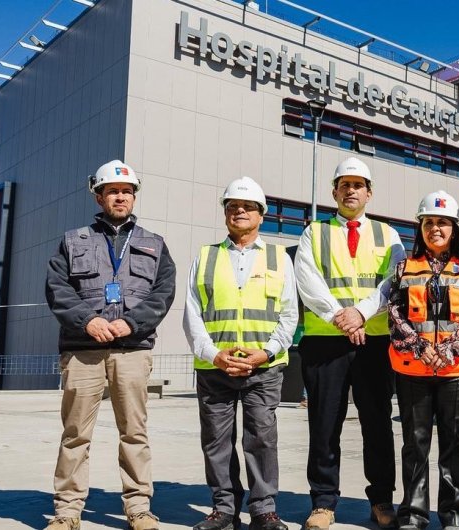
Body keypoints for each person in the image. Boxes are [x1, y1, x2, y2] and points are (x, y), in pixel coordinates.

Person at [44, 160, 176, 530]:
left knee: (134, 432)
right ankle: (67, 512)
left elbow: (163, 292)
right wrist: (88, 320)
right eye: (113, 191)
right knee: (75, 434)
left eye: (127, 191)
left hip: (132, 350)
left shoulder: (154, 243)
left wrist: (131, 323)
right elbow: (57, 288)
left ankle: (138, 508)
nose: (120, 197)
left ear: (134, 196)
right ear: (99, 196)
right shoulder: (73, 241)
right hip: (82, 350)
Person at [294, 157, 407, 530]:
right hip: (326, 342)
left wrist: (360, 313)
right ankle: (323, 503)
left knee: (377, 424)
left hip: (374, 341)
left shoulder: (388, 235)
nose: (351, 190)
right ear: (334, 192)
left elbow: (393, 281)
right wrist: (339, 317)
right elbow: (307, 279)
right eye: (344, 184)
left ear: (369, 193)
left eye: (358, 185)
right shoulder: (315, 233)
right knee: (324, 425)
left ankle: (381, 499)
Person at [182, 176, 297, 530]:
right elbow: (192, 314)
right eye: (233, 206)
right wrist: (213, 354)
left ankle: (263, 510)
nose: (240, 212)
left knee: (261, 439)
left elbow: (290, 315)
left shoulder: (279, 258)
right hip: (215, 368)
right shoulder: (206, 256)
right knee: (216, 441)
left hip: (264, 369)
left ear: (261, 215)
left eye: (248, 207)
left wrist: (267, 352)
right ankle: (224, 509)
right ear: (225, 214)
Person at [388, 191, 459, 530]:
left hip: (456, 371)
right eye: (428, 222)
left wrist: (447, 351)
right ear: (420, 228)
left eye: (442, 222)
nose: (435, 228)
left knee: (454, 444)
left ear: (454, 228)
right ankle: (413, 515)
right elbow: (395, 314)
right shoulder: (404, 268)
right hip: (413, 370)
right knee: (415, 445)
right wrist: (420, 347)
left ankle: (454, 515)